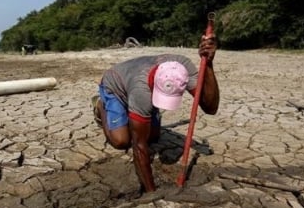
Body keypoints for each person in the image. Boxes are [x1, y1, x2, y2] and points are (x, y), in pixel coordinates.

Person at [91, 35, 219, 192]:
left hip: (136, 86)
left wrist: (209, 64)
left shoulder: (182, 68)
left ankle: (136, 113)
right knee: (121, 141)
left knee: (153, 137)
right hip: (115, 86)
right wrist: (151, 192)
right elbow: (139, 146)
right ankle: (100, 105)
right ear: (154, 85)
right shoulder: (141, 91)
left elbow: (210, 108)